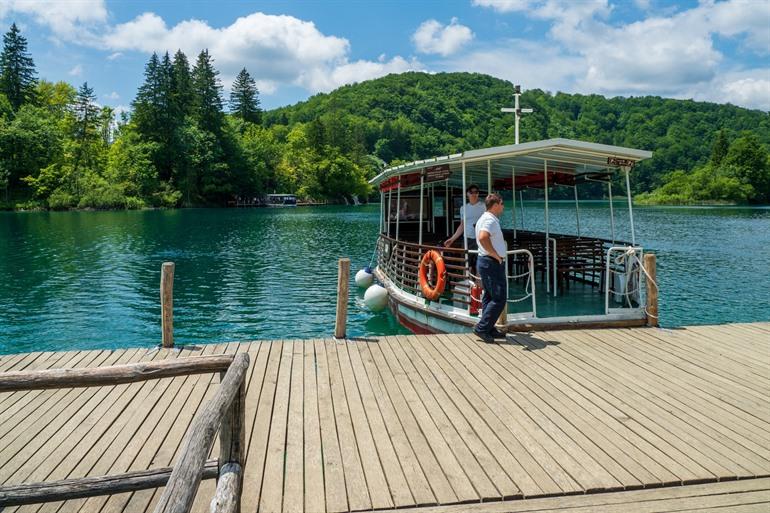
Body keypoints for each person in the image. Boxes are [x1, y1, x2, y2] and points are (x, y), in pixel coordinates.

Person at [474, 193, 508, 343]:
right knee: (499, 298)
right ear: (495, 205)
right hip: (491, 262)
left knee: (489, 296)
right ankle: (482, 328)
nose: (503, 206)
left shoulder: (485, 218)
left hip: (486, 262)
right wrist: (495, 255)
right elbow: (483, 237)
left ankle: (489, 327)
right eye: (502, 203)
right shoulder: (489, 220)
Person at [444, 184, 485, 272]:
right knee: (467, 265)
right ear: (467, 194)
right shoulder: (463, 208)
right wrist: (452, 239)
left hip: (480, 239)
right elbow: (462, 226)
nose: (474, 194)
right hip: (467, 240)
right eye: (471, 192)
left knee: (480, 265)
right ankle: (468, 284)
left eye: (476, 192)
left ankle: (479, 285)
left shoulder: (483, 206)